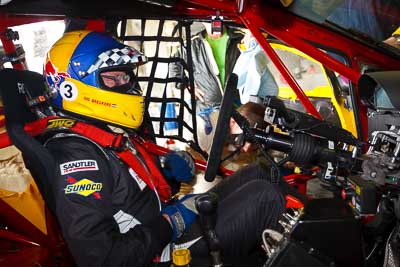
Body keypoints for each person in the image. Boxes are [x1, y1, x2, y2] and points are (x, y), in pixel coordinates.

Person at [38, 30, 286, 266]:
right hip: (161, 251)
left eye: (126, 76)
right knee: (265, 196)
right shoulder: (76, 156)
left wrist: (168, 175)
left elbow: (129, 194)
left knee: (258, 173)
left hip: (162, 224)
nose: (125, 83)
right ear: (72, 86)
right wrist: (171, 222)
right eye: (112, 78)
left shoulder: (104, 132)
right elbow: (104, 259)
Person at [170, 22, 244, 141]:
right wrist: (186, 85)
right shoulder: (192, 44)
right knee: (208, 150)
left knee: (238, 150)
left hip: (237, 109)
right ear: (203, 21)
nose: (215, 26)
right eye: (209, 22)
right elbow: (175, 63)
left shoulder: (239, 39)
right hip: (207, 112)